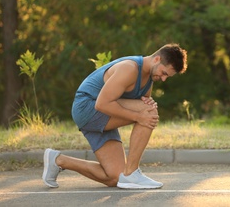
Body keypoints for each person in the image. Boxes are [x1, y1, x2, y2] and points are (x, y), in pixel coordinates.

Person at [42, 43, 188, 189]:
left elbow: (137, 103)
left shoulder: (149, 78)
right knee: (148, 112)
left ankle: (58, 160)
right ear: (156, 59)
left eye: (167, 76)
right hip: (87, 108)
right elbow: (102, 104)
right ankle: (131, 173)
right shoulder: (130, 68)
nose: (163, 79)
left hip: (104, 113)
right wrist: (139, 114)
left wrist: (146, 103)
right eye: (164, 73)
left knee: (115, 177)